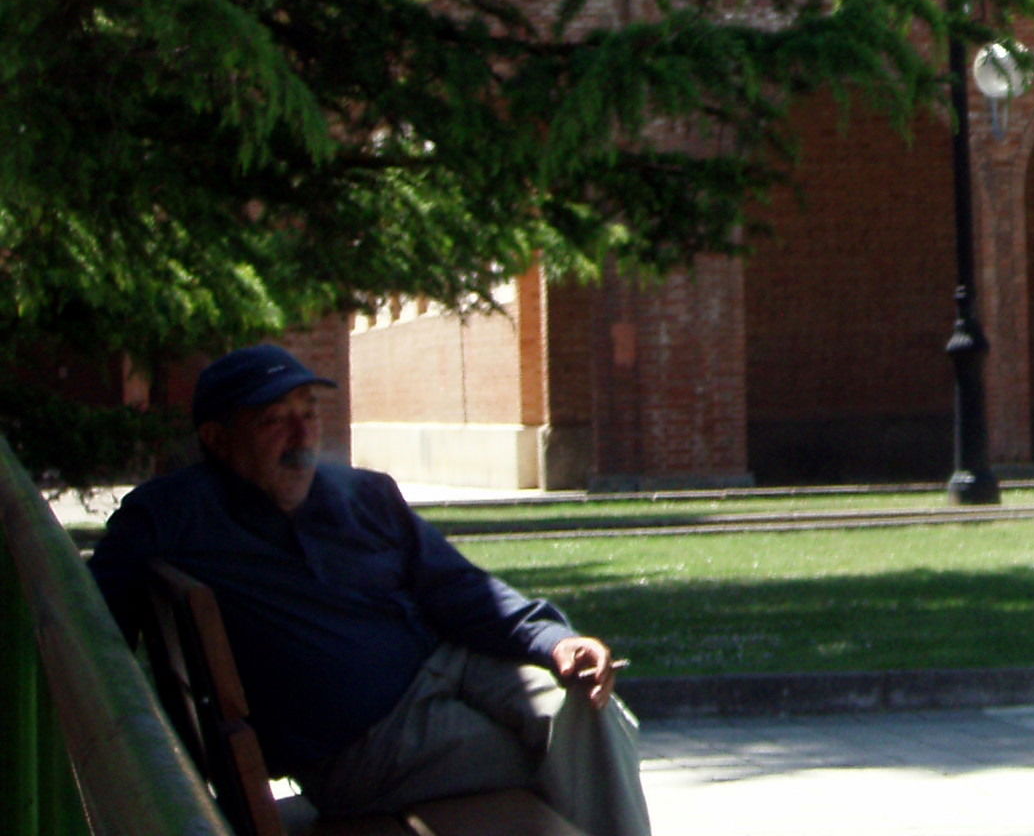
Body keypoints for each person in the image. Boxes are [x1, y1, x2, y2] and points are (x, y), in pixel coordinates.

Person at [89, 345, 650, 836]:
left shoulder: (360, 493)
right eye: (273, 421)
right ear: (216, 439)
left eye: (309, 413)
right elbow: (91, 621)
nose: (302, 435)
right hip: (368, 748)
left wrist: (553, 640)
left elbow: (460, 587)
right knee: (584, 759)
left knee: (583, 706)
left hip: (448, 664)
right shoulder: (171, 517)